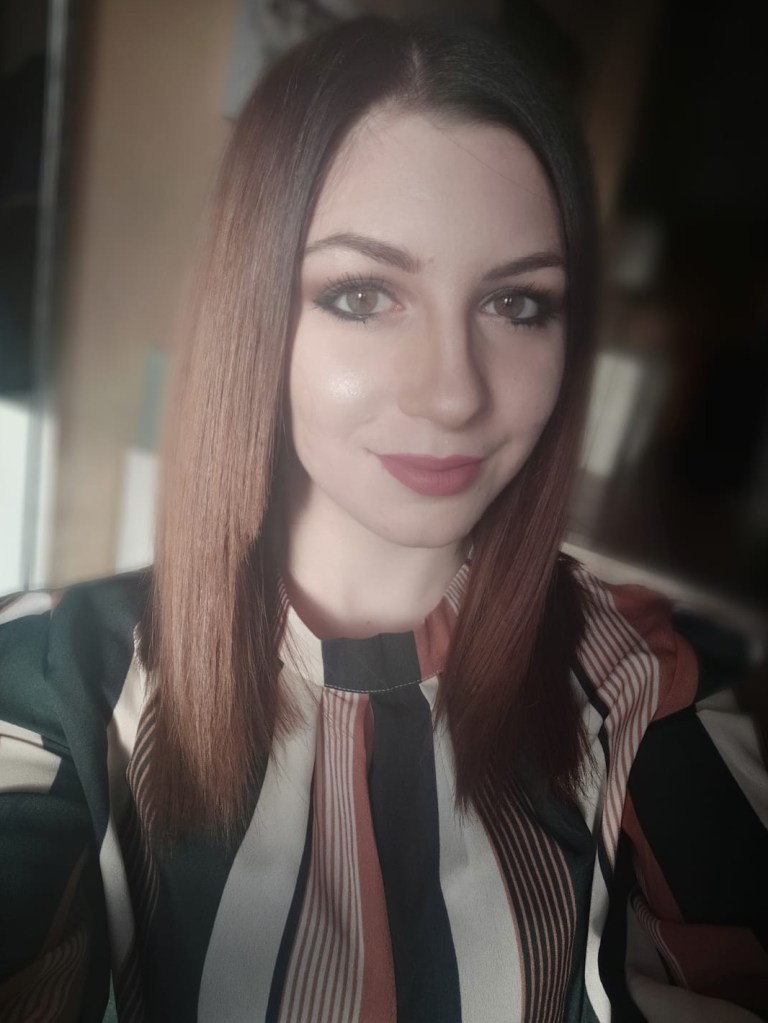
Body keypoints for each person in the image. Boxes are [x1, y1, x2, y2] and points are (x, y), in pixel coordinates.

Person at [1, 15, 766, 1023]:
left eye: (518, 304)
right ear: (254, 312)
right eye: (363, 295)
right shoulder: (52, 683)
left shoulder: (644, 671)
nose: (454, 393)